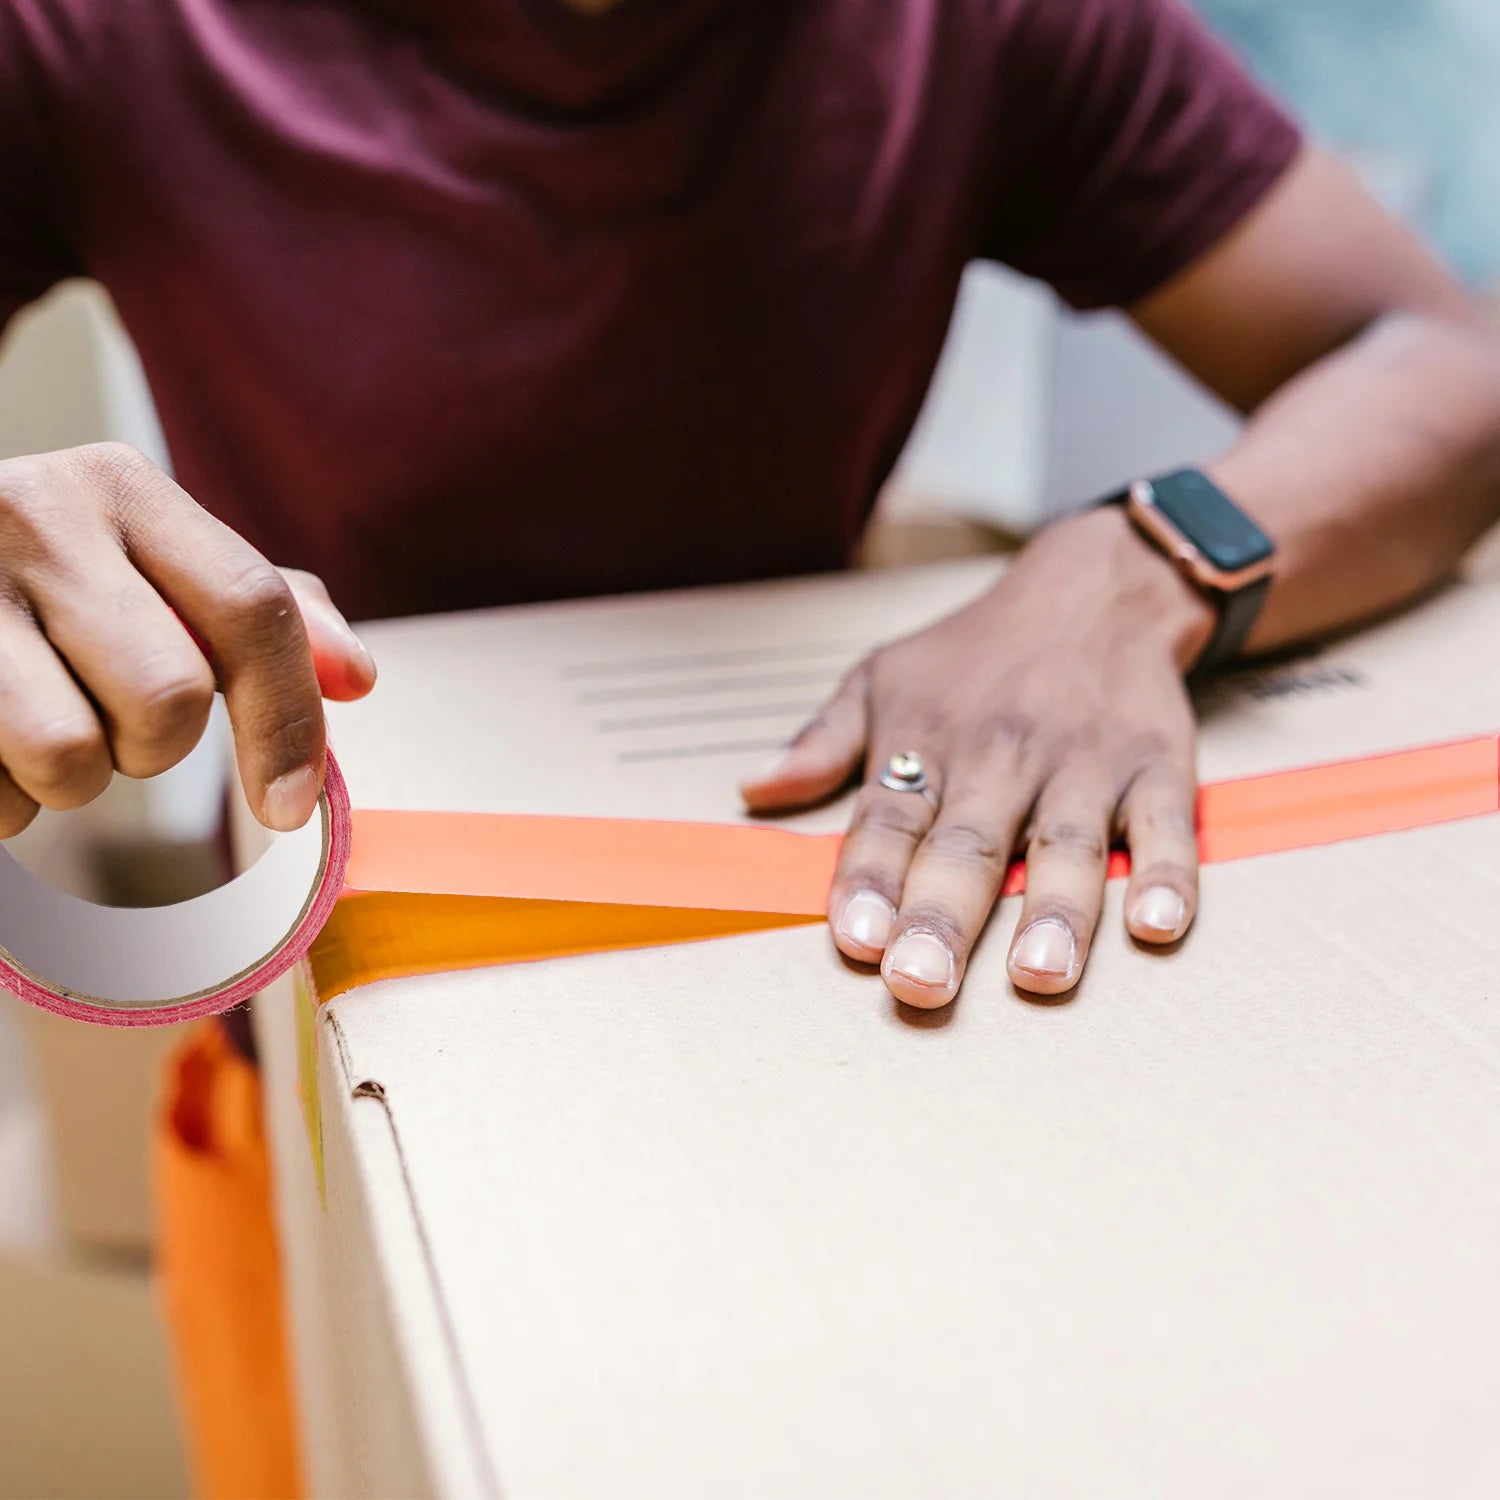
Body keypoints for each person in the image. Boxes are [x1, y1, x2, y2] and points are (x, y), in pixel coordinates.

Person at [3, 0, 1500, 1018]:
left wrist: (1139, 563)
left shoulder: (963, 29)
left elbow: (1447, 359)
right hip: (325, 954)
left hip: (798, 894)